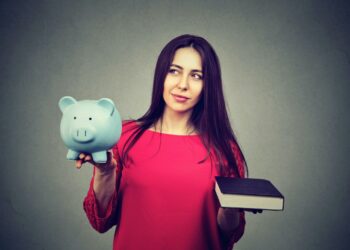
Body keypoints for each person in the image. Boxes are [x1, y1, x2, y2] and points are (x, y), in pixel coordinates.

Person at [76, 34, 248, 250]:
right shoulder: (123, 136)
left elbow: (231, 233)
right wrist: (105, 171)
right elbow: (99, 221)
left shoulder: (224, 149)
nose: (183, 84)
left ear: (208, 85)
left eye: (196, 76)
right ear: (161, 75)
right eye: (174, 71)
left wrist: (230, 208)